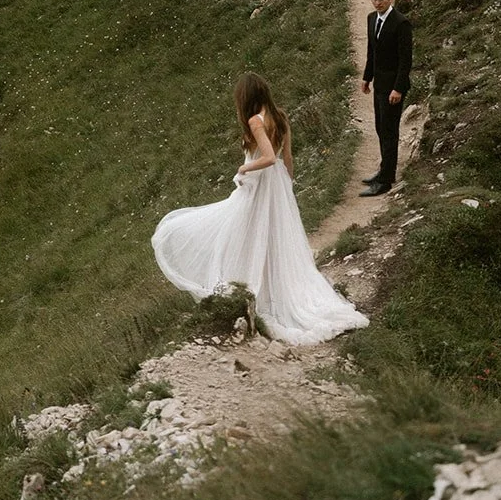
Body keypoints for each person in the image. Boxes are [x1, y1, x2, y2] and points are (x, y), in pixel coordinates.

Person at [151, 73, 368, 344]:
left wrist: (244, 167)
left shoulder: (256, 121)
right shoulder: (281, 117)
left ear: (246, 98)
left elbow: (266, 157)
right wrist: (287, 188)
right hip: (276, 184)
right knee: (272, 236)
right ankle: (269, 286)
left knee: (244, 232)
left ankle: (252, 288)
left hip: (262, 185)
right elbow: (285, 158)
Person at [360, 0, 412, 197]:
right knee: (381, 128)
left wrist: (398, 89)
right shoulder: (372, 19)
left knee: (389, 131)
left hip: (393, 88)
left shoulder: (401, 23)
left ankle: (386, 181)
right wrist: (366, 77)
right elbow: (372, 51)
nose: (377, 2)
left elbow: (405, 60)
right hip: (380, 83)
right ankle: (384, 169)